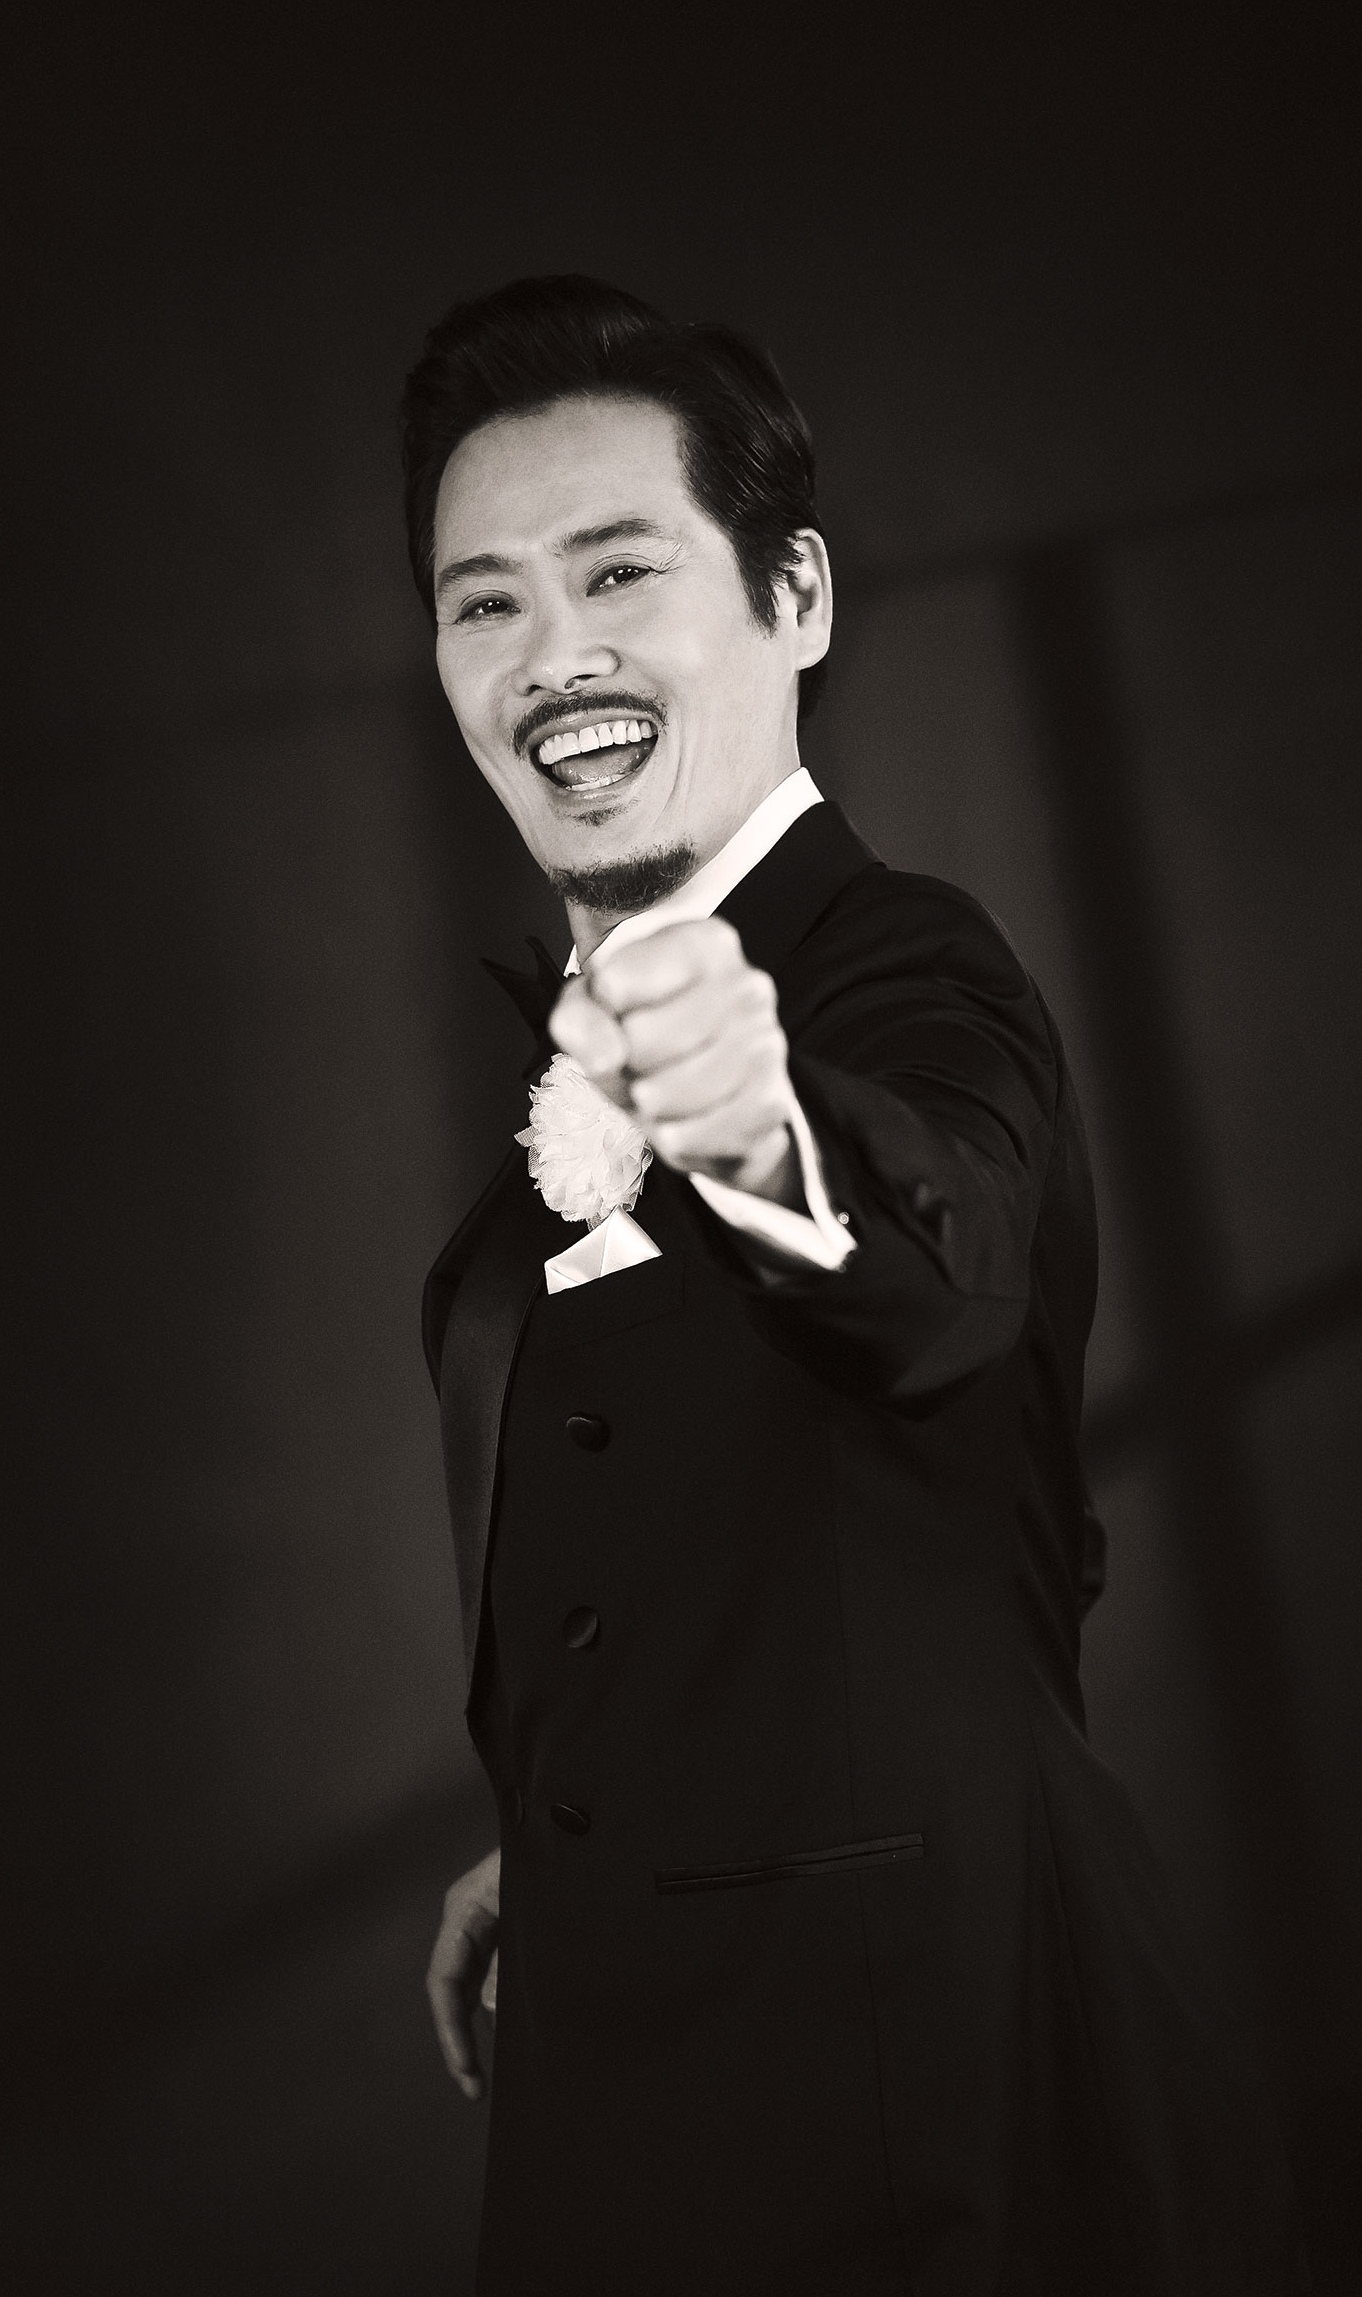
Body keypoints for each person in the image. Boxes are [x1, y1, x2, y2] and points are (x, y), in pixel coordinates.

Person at [407, 276, 1305, 2295]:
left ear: (794, 595)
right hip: (632, 2086)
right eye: (484, 602)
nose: (553, 655)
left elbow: (935, 1267)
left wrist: (754, 1119)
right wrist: (581, 1821)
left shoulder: (909, 969)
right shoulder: (565, 1048)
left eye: (616, 570)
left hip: (928, 2104)